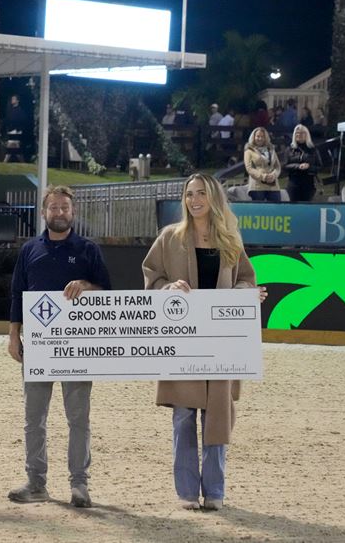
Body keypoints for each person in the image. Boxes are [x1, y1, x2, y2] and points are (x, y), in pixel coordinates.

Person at [142, 173, 267, 511]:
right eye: (188, 194)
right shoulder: (170, 238)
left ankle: (215, 491)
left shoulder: (230, 240)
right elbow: (152, 279)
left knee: (218, 417)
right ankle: (186, 492)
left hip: (221, 345)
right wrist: (168, 290)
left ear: (213, 197)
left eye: (200, 194)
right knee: (184, 418)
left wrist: (247, 295)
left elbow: (245, 280)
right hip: (183, 343)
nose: (194, 200)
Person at [7, 185, 112, 508]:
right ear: (43, 213)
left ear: (73, 212)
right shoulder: (29, 250)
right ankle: (36, 483)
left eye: (64, 207)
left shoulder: (88, 250)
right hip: (38, 348)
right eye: (53, 208)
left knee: (78, 419)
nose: (59, 213)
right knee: (33, 418)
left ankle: (79, 485)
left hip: (77, 349)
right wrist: (14, 336)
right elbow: (17, 295)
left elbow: (107, 293)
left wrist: (85, 285)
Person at [282, 124, 321, 202]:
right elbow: (285, 166)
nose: (299, 135)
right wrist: (298, 166)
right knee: (293, 207)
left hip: (308, 182)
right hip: (293, 182)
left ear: (307, 135)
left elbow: (319, 166)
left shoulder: (313, 149)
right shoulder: (289, 149)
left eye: (302, 133)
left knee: (306, 206)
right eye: (297, 133)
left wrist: (309, 167)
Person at [243, 127, 281, 202]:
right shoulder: (249, 151)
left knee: (276, 209)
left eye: (262, 136)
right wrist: (264, 176)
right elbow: (249, 168)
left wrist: (274, 175)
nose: (260, 138)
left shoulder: (271, 149)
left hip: (273, 185)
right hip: (257, 185)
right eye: (258, 136)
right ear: (253, 137)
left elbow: (277, 166)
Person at [4, 95, 29, 162]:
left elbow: (22, 121)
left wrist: (18, 129)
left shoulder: (20, 111)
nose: (12, 100)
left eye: (14, 99)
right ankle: (21, 161)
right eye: (12, 99)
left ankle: (5, 161)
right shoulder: (10, 110)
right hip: (11, 130)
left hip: (16, 131)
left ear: (17, 100)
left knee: (12, 145)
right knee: (15, 147)